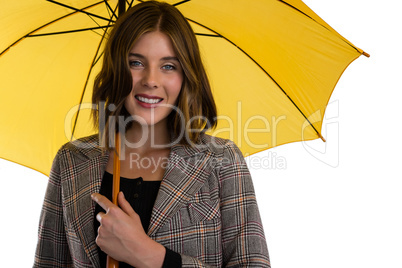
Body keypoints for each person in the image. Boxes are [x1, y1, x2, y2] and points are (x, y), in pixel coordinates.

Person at [34, 1, 270, 267]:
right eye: (135, 62)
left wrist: (150, 255)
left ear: (186, 76)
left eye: (168, 66)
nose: (150, 80)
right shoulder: (72, 160)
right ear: (116, 69)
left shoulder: (222, 160)